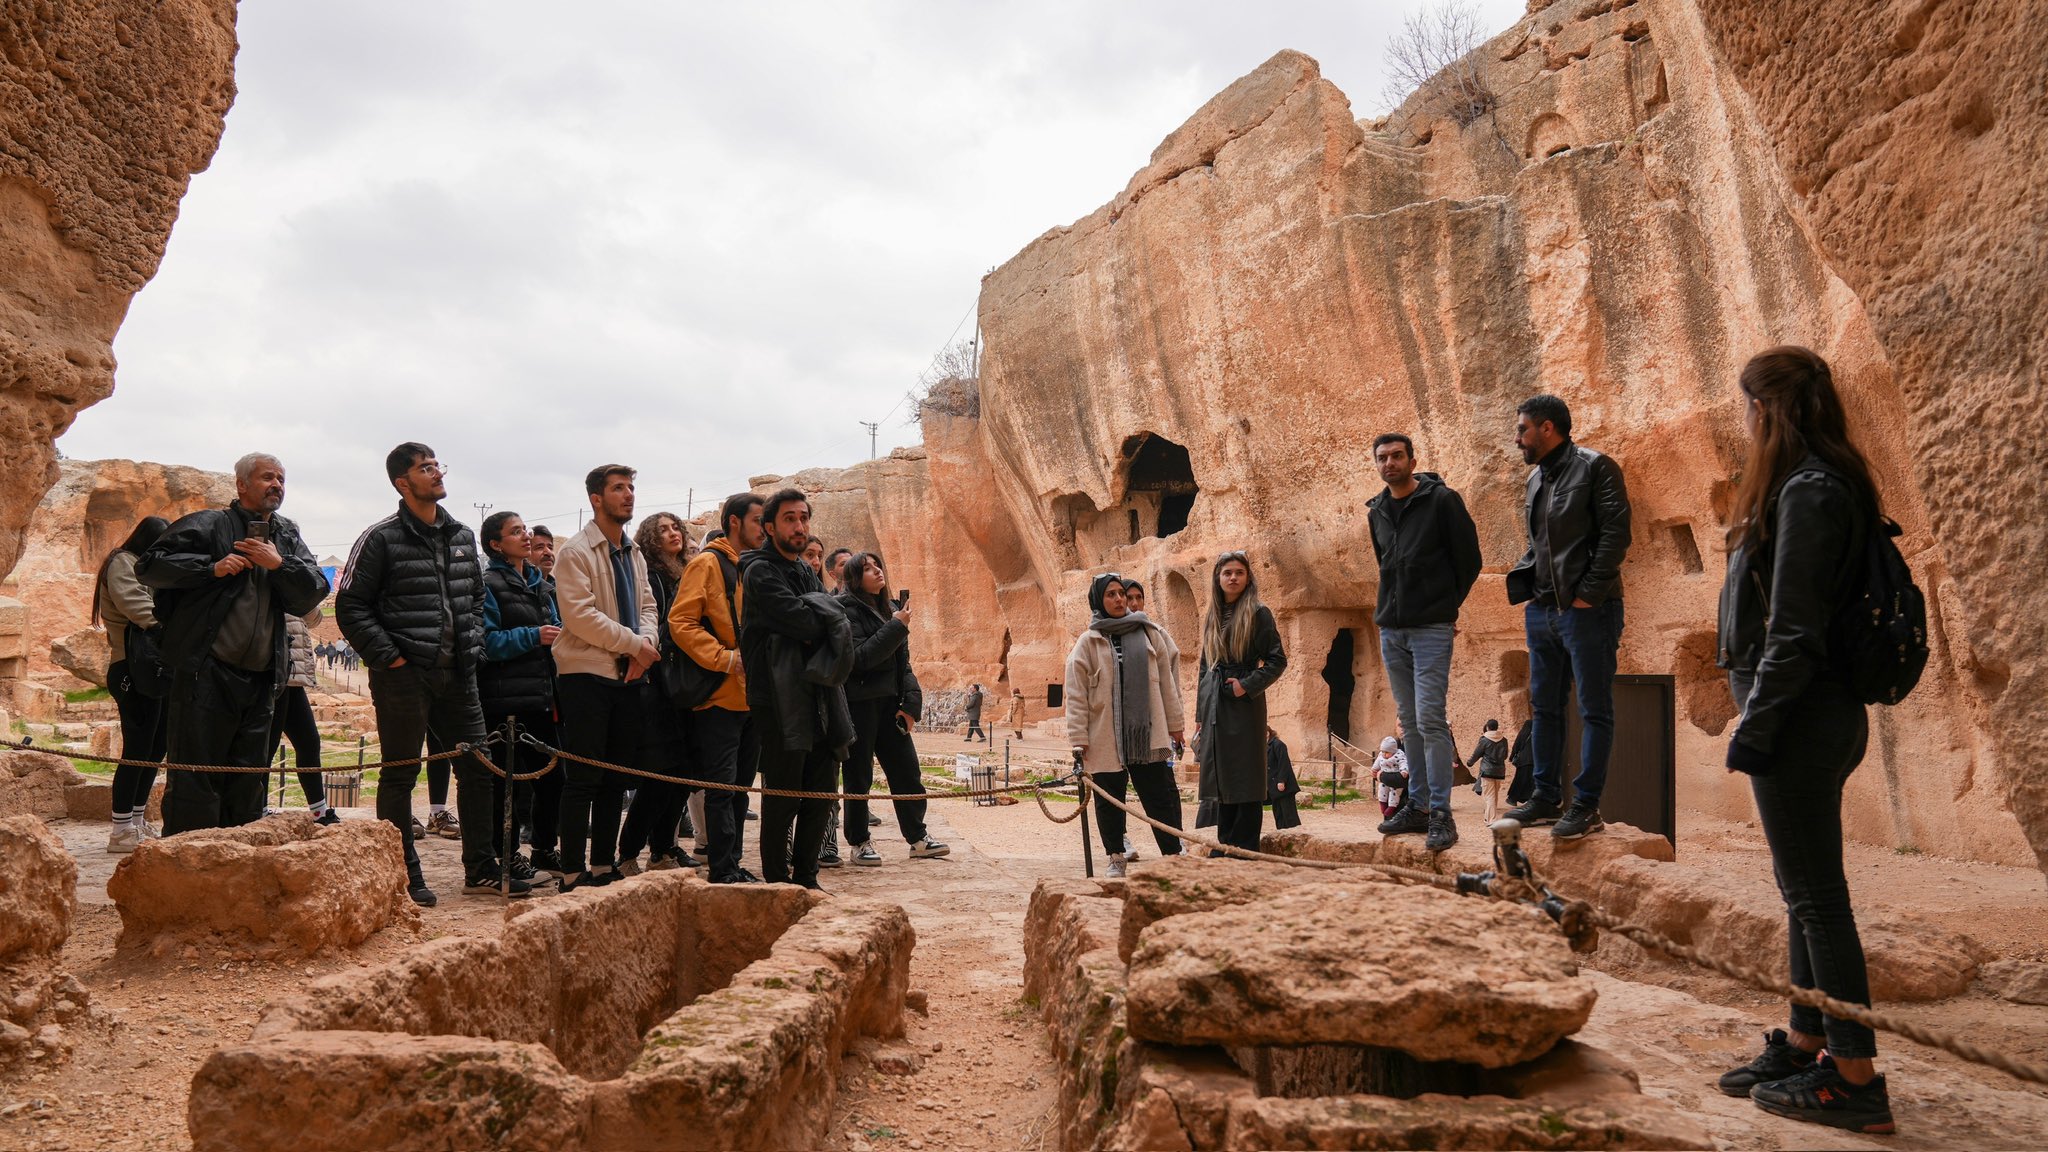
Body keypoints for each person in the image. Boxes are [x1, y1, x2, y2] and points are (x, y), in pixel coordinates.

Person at [1711, 346, 1893, 1133]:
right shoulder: (1812, 482)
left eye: (1751, 406)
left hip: (1799, 718)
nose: (1746, 421)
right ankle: (1808, 1039)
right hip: (1807, 714)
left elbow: (1793, 631)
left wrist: (1757, 727)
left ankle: (1855, 1078)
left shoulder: (1811, 488)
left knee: (1819, 900)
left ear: (1771, 410)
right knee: (1803, 893)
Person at [339, 443, 524, 904]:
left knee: (478, 771)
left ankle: (481, 869)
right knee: (400, 775)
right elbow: (350, 606)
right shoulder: (379, 538)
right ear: (403, 483)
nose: (437, 473)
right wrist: (391, 658)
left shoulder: (461, 535)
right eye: (426, 468)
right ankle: (402, 874)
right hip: (404, 676)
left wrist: (473, 646)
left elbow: (477, 600)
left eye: (437, 464)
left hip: (459, 675)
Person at [137, 454, 329, 834]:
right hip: (204, 674)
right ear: (241, 485)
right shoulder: (210, 524)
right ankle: (189, 870)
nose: (276, 485)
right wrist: (212, 568)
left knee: (247, 779)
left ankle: (238, 865)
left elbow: (313, 591)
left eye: (281, 479)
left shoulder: (286, 535)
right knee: (196, 776)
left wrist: (279, 565)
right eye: (267, 478)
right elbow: (151, 566)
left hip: (262, 680)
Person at [1504, 394, 1633, 841]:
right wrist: (1531, 589)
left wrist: (1587, 597)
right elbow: (1539, 541)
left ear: (1546, 428)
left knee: (1594, 709)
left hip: (1586, 613)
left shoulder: (1596, 467)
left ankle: (1586, 805)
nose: (1517, 438)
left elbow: (1616, 535)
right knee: (1543, 708)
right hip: (1542, 612)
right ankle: (1544, 797)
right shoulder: (1537, 478)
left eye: (1522, 429)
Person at [1365, 432, 1483, 853]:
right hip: (1392, 629)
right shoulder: (1377, 510)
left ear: (1412, 460)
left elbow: (1469, 560)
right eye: (1382, 458)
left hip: (1431, 626)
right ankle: (1416, 807)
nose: (1390, 463)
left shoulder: (1442, 501)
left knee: (1431, 719)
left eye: (1397, 456)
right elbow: (1386, 565)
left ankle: (1441, 814)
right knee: (1409, 721)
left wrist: (1445, 608)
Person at [551, 464, 661, 890]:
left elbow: (649, 607)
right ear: (596, 498)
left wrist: (644, 650)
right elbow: (580, 618)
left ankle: (602, 865)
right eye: (619, 488)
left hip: (630, 676)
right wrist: (636, 646)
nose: (629, 495)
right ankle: (572, 870)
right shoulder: (575, 551)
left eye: (632, 487)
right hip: (587, 676)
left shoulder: (633, 552)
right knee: (582, 778)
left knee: (616, 776)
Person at [740, 488, 849, 890]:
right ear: (769, 527)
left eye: (803, 517)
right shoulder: (759, 571)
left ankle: (807, 879)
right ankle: (778, 883)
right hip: (777, 697)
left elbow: (828, 615)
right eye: (789, 518)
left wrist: (820, 618)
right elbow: (806, 622)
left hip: (817, 692)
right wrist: (821, 620)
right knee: (783, 796)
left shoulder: (804, 570)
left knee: (820, 793)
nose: (799, 525)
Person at [671, 495, 764, 885]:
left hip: (753, 698)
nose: (765, 528)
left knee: (740, 790)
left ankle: (732, 862)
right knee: (722, 789)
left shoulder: (756, 566)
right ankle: (722, 866)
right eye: (758, 520)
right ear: (734, 522)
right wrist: (726, 658)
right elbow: (681, 622)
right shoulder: (707, 563)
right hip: (719, 697)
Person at [1066, 574, 1183, 876]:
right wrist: (1079, 738)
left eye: (1121, 594)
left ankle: (1172, 854)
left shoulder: (1149, 633)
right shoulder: (1088, 642)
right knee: (1110, 800)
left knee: (1158, 796)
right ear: (1098, 601)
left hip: (1146, 733)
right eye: (1111, 595)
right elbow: (1077, 694)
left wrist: (1175, 725)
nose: (1119, 600)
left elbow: (1167, 685)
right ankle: (1116, 856)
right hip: (1104, 735)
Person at [837, 552, 949, 865]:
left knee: (907, 772)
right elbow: (860, 659)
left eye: (877, 566)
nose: (876, 571)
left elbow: (904, 664)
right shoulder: (845, 609)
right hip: (859, 705)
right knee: (858, 777)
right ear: (855, 578)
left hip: (890, 704)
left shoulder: (892, 609)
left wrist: (911, 704)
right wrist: (897, 626)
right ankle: (859, 841)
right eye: (866, 568)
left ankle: (917, 837)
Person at [477, 511, 562, 884]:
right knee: (507, 785)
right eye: (516, 532)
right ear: (496, 544)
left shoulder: (540, 583)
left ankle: (544, 849)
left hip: (543, 693)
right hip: (505, 699)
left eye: (525, 529)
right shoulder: (489, 584)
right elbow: (487, 642)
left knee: (553, 778)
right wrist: (533, 636)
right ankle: (507, 858)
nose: (526, 536)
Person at [617, 511, 699, 874]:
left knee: (684, 772)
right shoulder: (651, 574)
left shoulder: (690, 570)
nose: (672, 534)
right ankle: (629, 851)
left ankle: (664, 847)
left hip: (686, 683)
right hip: (658, 683)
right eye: (663, 530)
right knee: (658, 773)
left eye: (675, 527)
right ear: (651, 538)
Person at [1194, 552, 1286, 854]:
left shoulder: (1259, 613)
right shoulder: (1213, 615)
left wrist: (1245, 686)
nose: (1233, 577)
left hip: (1243, 703)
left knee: (1245, 773)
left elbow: (1276, 661)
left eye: (1239, 572)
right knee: (1221, 773)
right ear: (1218, 579)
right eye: (1227, 573)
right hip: (1215, 703)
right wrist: (1200, 713)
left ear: (1248, 578)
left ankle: (1245, 845)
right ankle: (1225, 843)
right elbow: (1205, 665)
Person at [96, 515, 170, 852]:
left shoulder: (144, 566)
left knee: (155, 748)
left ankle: (136, 822)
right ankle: (120, 830)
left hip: (152, 667)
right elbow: (140, 609)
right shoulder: (123, 563)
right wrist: (176, 628)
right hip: (130, 668)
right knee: (137, 750)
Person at [265, 610, 337, 825]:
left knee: (309, 742)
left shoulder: (296, 578)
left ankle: (319, 811)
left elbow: (314, 618)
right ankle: (256, 807)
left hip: (292, 673)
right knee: (266, 746)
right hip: (272, 667)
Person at [800, 535, 843, 868]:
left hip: (826, 694)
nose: (814, 561)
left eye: (818, 555)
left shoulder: (831, 600)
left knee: (827, 777)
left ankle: (827, 844)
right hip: (797, 694)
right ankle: (788, 847)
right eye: (808, 554)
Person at [1468, 720, 1509, 823]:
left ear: (1487, 727)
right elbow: (1505, 756)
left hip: (1487, 771)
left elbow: (1477, 753)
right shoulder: (1504, 740)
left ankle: (1492, 820)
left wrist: (1470, 763)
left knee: (1489, 796)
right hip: (1499, 771)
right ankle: (1489, 817)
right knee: (1495, 795)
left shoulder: (1484, 740)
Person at [1267, 727, 1301, 830]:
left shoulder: (1278, 744)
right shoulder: (1266, 745)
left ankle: (1293, 834)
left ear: (1268, 733)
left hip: (1282, 784)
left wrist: (1282, 781)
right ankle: (1281, 833)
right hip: (1273, 785)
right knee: (1278, 812)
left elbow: (1284, 763)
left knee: (1288, 812)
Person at [1372, 736, 1409, 817]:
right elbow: (1377, 762)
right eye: (1383, 752)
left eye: (1387, 752)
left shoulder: (1399, 755)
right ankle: (1383, 803)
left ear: (1393, 751)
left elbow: (1403, 762)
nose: (1384, 754)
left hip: (1395, 775)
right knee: (1382, 790)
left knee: (1395, 793)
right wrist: (1374, 769)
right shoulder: (1381, 755)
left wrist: (1404, 770)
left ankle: (1392, 807)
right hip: (1384, 775)